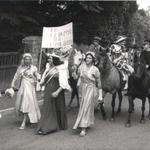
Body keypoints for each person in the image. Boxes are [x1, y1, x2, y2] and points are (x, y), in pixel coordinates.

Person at [37, 52, 71, 135]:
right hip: (48, 90)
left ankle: (58, 124)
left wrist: (57, 92)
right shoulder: (47, 68)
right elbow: (44, 81)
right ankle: (46, 127)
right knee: (47, 108)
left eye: (50, 59)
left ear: (55, 60)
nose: (48, 60)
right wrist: (39, 82)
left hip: (57, 90)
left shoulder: (61, 69)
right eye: (48, 58)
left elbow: (64, 83)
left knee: (58, 108)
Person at [73, 51, 103, 137]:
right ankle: (84, 122)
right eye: (86, 57)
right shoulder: (81, 67)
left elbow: (99, 82)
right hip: (82, 89)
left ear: (93, 60)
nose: (87, 59)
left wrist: (100, 95)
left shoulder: (95, 69)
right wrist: (74, 72)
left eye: (89, 58)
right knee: (82, 106)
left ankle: (83, 129)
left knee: (86, 106)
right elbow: (76, 77)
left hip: (90, 89)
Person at [8, 53, 41, 129]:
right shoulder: (20, 68)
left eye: (29, 59)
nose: (27, 61)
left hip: (30, 88)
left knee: (27, 103)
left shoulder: (34, 68)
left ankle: (24, 122)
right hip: (22, 88)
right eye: (26, 59)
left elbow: (38, 78)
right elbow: (15, 77)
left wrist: (32, 76)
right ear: (23, 60)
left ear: (31, 60)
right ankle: (26, 119)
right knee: (21, 104)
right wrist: (12, 85)